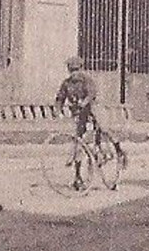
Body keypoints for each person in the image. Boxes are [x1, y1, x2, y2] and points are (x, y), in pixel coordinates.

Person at [53, 54, 125, 186]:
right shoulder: (66, 83)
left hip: (93, 107)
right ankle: (77, 177)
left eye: (76, 69)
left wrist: (84, 102)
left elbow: (92, 93)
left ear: (81, 68)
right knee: (78, 140)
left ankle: (118, 149)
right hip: (80, 112)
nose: (74, 73)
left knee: (103, 127)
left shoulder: (87, 80)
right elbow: (60, 98)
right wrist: (57, 110)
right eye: (71, 70)